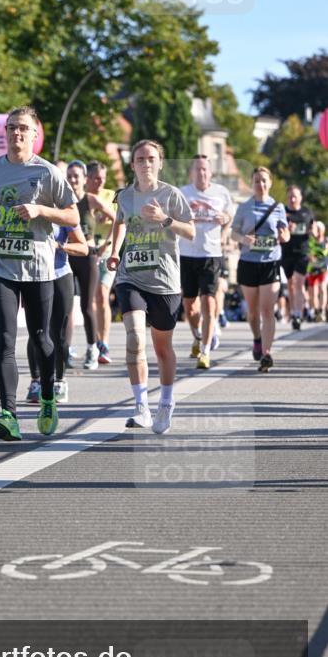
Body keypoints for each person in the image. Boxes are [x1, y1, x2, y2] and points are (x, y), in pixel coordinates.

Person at [0, 106, 78, 440]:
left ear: (35, 134)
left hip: (39, 270)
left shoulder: (47, 174)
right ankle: (9, 415)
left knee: (42, 338)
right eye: (11, 127)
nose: (16, 133)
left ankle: (47, 396)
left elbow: (73, 217)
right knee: (4, 340)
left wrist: (41, 210)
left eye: (23, 129)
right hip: (0, 268)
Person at [106, 139, 194, 435]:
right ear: (132, 164)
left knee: (162, 348)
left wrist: (164, 219)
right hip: (131, 276)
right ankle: (141, 406)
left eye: (151, 158)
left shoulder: (172, 195)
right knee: (134, 339)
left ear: (160, 163)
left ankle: (166, 403)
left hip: (165, 280)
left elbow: (191, 231)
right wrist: (115, 251)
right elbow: (119, 222)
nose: (145, 163)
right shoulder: (125, 196)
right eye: (140, 159)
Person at [231, 166, 290, 372]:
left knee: (267, 310)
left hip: (270, 262)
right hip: (248, 262)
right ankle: (257, 338)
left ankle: (266, 353)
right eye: (257, 180)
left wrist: (284, 237)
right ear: (252, 183)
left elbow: (286, 233)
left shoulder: (278, 207)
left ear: (270, 182)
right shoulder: (244, 207)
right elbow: (233, 234)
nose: (261, 184)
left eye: (264, 180)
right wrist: (244, 238)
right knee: (253, 312)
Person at [179, 155, 234, 368]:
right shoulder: (183, 193)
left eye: (204, 169)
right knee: (190, 306)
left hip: (211, 254)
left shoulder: (221, 193)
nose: (201, 173)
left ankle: (205, 351)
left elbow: (230, 216)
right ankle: (198, 335)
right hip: (187, 253)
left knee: (209, 303)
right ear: (191, 172)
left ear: (210, 172)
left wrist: (225, 224)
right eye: (197, 169)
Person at [26, 222, 89, 404]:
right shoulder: (28, 209)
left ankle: (60, 381)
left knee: (58, 332)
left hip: (60, 274)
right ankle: (36, 381)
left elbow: (83, 248)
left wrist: (59, 246)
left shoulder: (64, 212)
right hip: (34, 275)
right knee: (36, 331)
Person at [66, 160, 116, 370]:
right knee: (66, 307)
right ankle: (65, 350)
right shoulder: (62, 202)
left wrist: (106, 245)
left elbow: (117, 219)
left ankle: (92, 348)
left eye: (76, 176)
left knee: (88, 306)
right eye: (69, 176)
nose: (73, 180)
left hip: (89, 256)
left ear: (84, 179)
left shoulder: (90, 200)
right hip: (67, 256)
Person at [86, 160, 117, 364]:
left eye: (103, 178)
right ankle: (95, 340)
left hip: (105, 251)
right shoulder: (82, 197)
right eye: (96, 178)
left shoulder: (111, 196)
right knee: (92, 299)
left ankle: (104, 342)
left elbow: (119, 221)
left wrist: (108, 244)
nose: (100, 182)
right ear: (87, 178)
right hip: (88, 253)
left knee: (103, 296)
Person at [281, 185, 314, 329]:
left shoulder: (307, 213)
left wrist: (312, 232)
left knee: (298, 282)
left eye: (295, 196)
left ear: (300, 197)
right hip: (286, 252)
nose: (292, 199)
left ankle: (297, 315)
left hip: (302, 252)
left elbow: (312, 229)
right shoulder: (282, 211)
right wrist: (285, 229)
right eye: (290, 196)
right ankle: (294, 311)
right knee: (290, 284)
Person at [307, 220, 327, 322]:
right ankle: (316, 311)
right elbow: (307, 253)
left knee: (322, 288)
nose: (318, 231)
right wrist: (309, 257)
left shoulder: (326, 241)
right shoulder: (310, 241)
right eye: (316, 229)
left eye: (320, 229)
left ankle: (322, 310)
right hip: (312, 269)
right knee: (313, 292)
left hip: (323, 268)